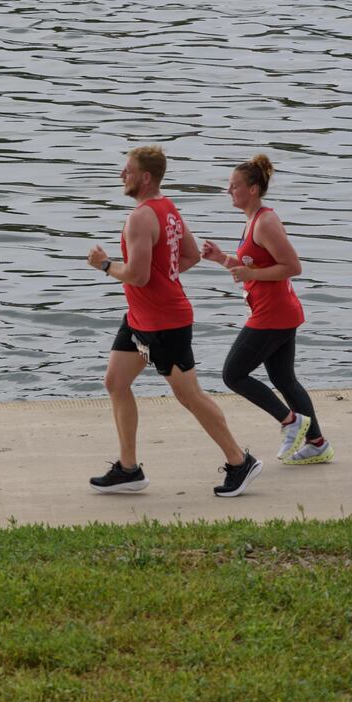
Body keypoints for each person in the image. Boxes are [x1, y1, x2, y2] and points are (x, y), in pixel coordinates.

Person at [86, 146, 262, 497]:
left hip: (164, 323)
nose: (123, 175)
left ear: (146, 177)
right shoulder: (167, 209)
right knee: (116, 382)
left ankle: (239, 461)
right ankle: (128, 469)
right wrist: (164, 275)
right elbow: (191, 255)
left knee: (190, 396)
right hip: (140, 319)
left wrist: (104, 265)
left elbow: (135, 275)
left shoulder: (141, 217)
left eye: (128, 170)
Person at [201, 155, 332, 464]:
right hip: (278, 312)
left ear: (254, 189)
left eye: (234, 186)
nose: (228, 190)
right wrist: (222, 258)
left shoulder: (266, 221)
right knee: (284, 379)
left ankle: (291, 422)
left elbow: (292, 267)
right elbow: (253, 265)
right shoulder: (253, 220)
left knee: (233, 374)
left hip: (272, 315)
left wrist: (252, 275)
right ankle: (316, 443)